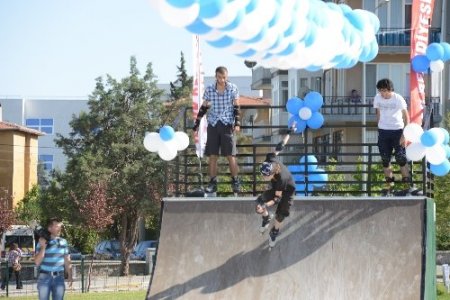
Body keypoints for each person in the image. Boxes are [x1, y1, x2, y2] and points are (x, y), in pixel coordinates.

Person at [192, 66, 241, 194]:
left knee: (231, 155)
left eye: (224, 77)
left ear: (227, 77)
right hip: (213, 124)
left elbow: (236, 106)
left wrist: (238, 123)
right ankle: (213, 183)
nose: (221, 80)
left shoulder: (232, 88)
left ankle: (235, 180)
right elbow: (204, 107)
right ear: (216, 76)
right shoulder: (209, 89)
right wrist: (197, 123)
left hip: (227, 124)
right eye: (219, 77)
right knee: (212, 155)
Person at [255, 131, 296, 248]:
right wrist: (289, 132)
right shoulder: (270, 159)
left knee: (281, 214)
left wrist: (266, 205)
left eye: (266, 176)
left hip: (287, 190)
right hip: (276, 187)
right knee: (260, 201)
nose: (263, 177)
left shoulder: (281, 179)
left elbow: (277, 199)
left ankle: (274, 232)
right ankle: (266, 217)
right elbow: (280, 146)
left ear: (273, 174)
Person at [373, 78, 412, 195]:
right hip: (384, 131)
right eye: (380, 91)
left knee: (400, 158)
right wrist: (379, 129)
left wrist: (405, 134)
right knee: (385, 159)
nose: (382, 93)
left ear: (390, 89)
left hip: (397, 131)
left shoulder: (398, 99)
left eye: (385, 91)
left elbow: (406, 117)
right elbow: (378, 113)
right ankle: (389, 185)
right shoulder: (377, 98)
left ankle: (407, 185)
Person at [34, 218, 72, 300]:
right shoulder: (41, 241)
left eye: (60, 227)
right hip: (44, 277)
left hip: (59, 278)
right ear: (49, 228)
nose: (60, 229)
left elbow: (67, 260)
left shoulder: (64, 242)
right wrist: (43, 247)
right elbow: (37, 262)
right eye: (57, 226)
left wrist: (70, 275)